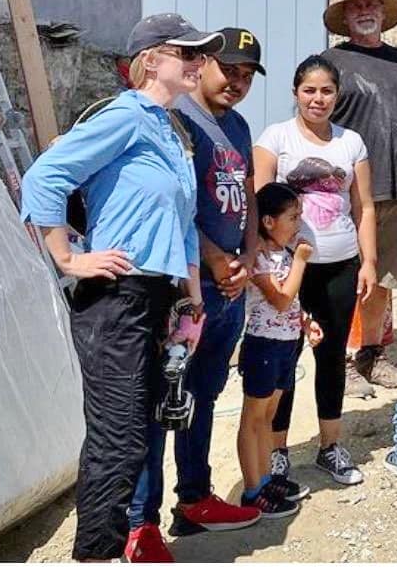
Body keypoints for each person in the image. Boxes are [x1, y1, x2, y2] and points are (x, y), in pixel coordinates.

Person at [19, 13, 221, 563]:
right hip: (115, 298)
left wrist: (192, 299)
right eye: (189, 53)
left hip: (154, 299)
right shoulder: (127, 116)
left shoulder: (168, 129)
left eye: (202, 55)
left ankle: (101, 552)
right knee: (119, 438)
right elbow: (45, 176)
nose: (200, 63)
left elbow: (181, 224)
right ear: (151, 60)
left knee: (133, 433)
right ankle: (95, 557)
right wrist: (67, 257)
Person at [129, 27, 270, 543]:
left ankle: (193, 499)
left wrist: (249, 257)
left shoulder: (237, 126)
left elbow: (249, 197)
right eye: (228, 69)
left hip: (231, 286)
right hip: (186, 287)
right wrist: (213, 258)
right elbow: (174, 204)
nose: (236, 81)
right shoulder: (174, 118)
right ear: (202, 66)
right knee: (159, 398)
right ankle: (140, 522)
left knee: (204, 396)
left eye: (246, 75)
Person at [254, 55, 379, 487]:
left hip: (341, 265)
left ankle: (330, 446)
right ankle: (277, 452)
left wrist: (370, 263)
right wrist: (261, 266)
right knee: (284, 359)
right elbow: (258, 204)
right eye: (309, 90)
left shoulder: (352, 142)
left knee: (331, 357)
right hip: (290, 270)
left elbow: (363, 207)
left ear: (337, 95)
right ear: (295, 92)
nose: (318, 98)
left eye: (326, 90)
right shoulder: (277, 137)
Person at [319, 0, 397, 393]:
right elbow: (315, 122)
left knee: (384, 280)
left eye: (371, 4)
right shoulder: (332, 62)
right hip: (350, 193)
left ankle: (371, 355)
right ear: (345, 17)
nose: (364, 11)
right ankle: (341, 360)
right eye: (355, 6)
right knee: (348, 279)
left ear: (383, 13)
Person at [236, 183, 311, 519]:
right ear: (268, 221)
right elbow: (279, 298)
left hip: (286, 343)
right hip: (263, 343)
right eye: (292, 217)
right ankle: (252, 489)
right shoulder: (260, 259)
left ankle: (266, 479)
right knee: (253, 417)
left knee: (268, 416)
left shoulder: (284, 254)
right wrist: (302, 263)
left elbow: (291, 302)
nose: (297, 224)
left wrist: (307, 323)